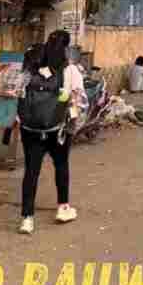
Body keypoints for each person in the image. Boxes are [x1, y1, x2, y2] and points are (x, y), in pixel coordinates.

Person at [18, 30, 86, 234]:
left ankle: (27, 219)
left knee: (31, 171)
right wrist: (74, 121)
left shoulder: (32, 67)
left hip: (30, 128)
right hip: (58, 129)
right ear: (66, 48)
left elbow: (18, 92)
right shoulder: (70, 69)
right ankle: (63, 208)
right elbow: (80, 100)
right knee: (61, 165)